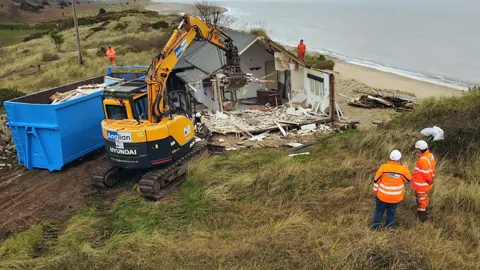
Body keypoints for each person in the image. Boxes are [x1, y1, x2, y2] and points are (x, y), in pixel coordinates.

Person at [372, 150, 412, 230]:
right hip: (395, 197)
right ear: (399, 159)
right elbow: (408, 179)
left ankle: (376, 228)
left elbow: (376, 180)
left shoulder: (383, 167)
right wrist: (406, 169)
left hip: (382, 196)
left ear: (390, 158)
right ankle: (390, 228)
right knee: (391, 213)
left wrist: (375, 191)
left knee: (379, 212)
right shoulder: (402, 170)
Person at [411, 140, 436, 222]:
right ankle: (425, 211)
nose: (416, 150)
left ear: (419, 149)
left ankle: (422, 217)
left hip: (421, 185)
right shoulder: (430, 155)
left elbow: (425, 173)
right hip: (426, 183)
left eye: (417, 149)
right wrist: (430, 180)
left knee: (421, 200)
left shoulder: (423, 160)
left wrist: (429, 180)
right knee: (424, 198)